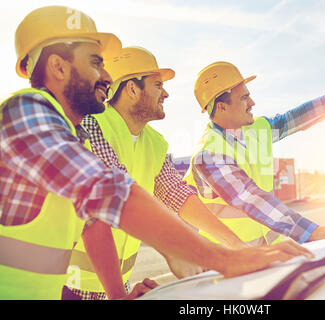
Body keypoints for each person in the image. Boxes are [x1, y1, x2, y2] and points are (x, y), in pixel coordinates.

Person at [0, 6, 313, 300]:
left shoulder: (77, 133)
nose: (106, 78)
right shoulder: (24, 113)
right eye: (96, 62)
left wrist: (118, 294)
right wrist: (221, 257)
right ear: (58, 66)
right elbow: (107, 192)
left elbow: (102, 217)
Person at [65, 46, 252, 300]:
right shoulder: (92, 126)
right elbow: (116, 199)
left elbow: (178, 195)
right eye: (157, 85)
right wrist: (175, 249)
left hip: (111, 289)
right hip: (65, 288)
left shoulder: (153, 142)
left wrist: (236, 247)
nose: (165, 93)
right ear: (132, 89)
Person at [184, 61, 325, 246]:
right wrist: (312, 232)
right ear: (221, 106)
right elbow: (249, 198)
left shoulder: (257, 129)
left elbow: (298, 117)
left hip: (274, 254)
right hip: (231, 266)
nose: (252, 103)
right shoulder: (208, 154)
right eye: (245, 97)